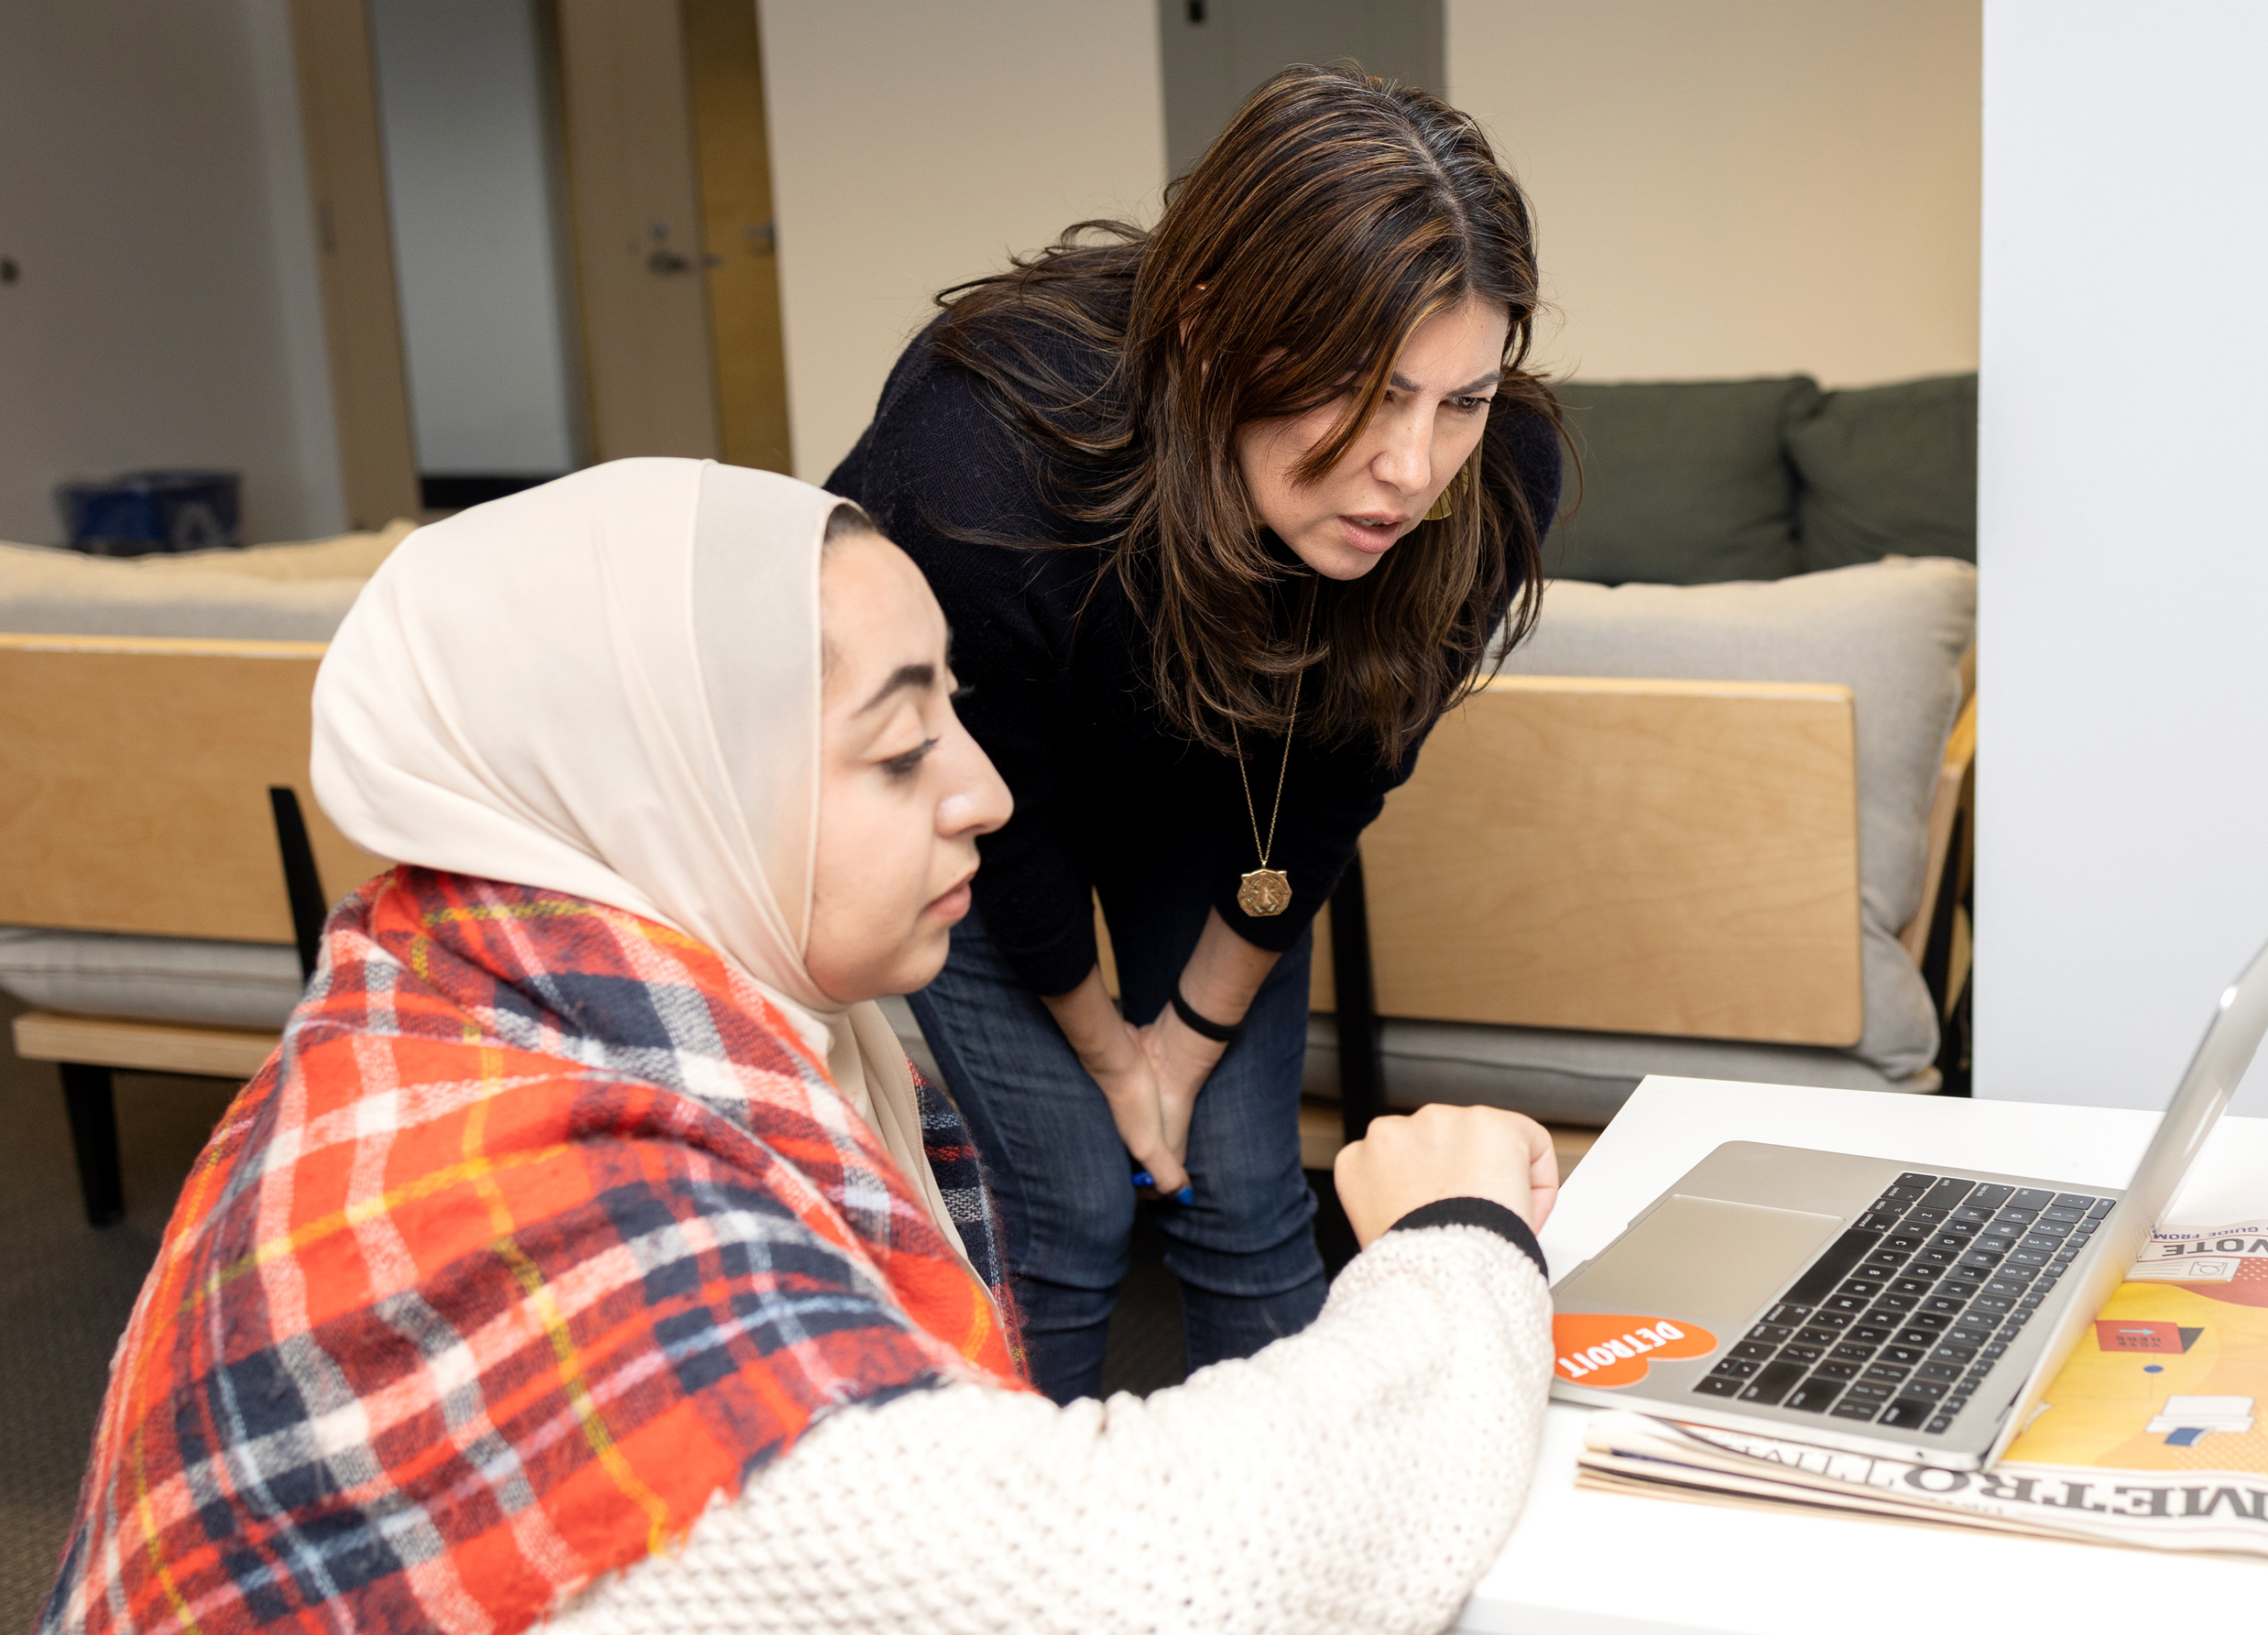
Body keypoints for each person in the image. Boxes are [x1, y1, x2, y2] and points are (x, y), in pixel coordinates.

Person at [39, 461, 1558, 1635]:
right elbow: (1135, 1579)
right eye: (899, 746)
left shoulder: (477, 985)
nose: (983, 789)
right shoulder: (540, 1203)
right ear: (667, 790)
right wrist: (1457, 1246)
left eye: (952, 713)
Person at [830, 64, 1565, 1401]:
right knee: (1065, 1204)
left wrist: (1180, 1053)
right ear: (1222, 329)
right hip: (967, 803)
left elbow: (1337, 776)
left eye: (1457, 398)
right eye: (1367, 387)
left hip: (1225, 792)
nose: (1413, 467)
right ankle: (1017, 1573)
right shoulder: (979, 468)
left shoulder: (1493, 475)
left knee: (1238, 1186)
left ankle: (1306, 1565)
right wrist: (1113, 1057)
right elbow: (1008, 826)